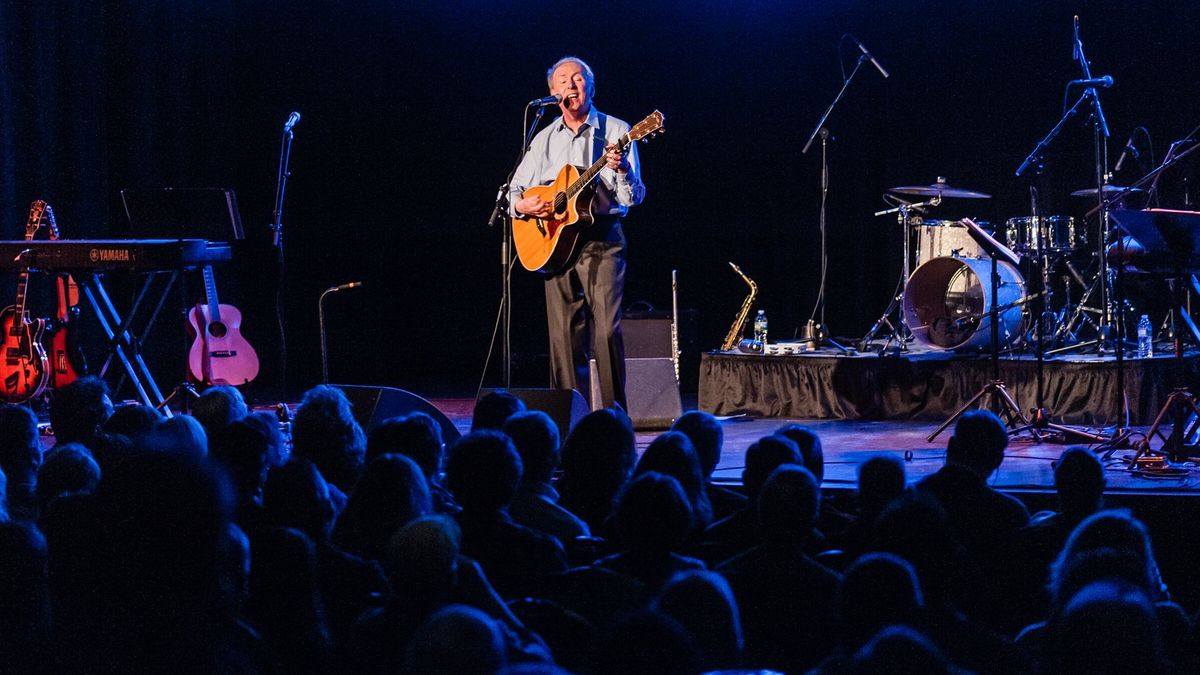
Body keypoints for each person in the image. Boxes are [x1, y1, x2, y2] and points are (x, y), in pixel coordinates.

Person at [510, 56, 646, 410]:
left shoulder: (617, 131)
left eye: (578, 79)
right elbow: (515, 190)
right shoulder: (543, 139)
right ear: (552, 92)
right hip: (554, 242)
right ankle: (573, 419)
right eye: (563, 81)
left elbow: (632, 198)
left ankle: (614, 417)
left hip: (602, 238)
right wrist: (523, 206)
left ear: (591, 86)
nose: (571, 85)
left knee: (605, 332)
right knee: (564, 339)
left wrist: (623, 169)